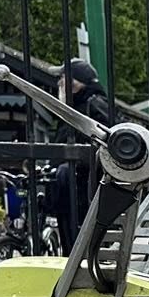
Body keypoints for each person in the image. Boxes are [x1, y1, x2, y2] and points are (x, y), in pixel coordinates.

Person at [54, 58, 118, 244]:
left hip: (86, 185)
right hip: (74, 188)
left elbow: (111, 140)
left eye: (62, 78)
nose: (59, 83)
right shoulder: (70, 110)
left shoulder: (95, 104)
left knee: (84, 239)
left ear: (75, 83)